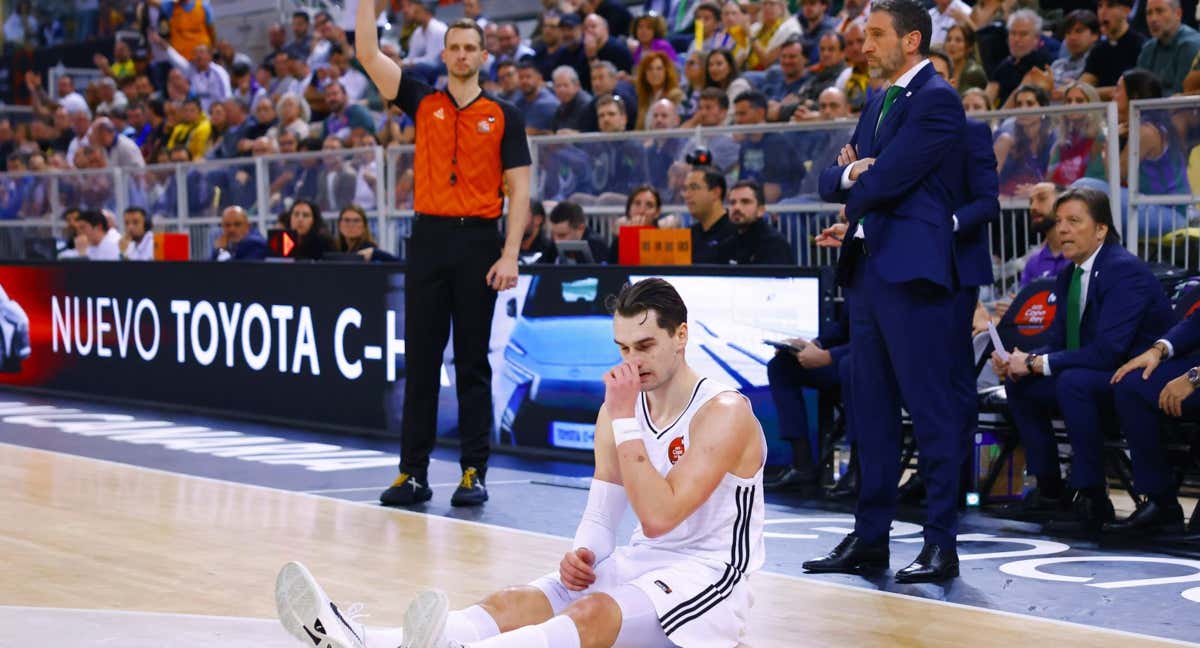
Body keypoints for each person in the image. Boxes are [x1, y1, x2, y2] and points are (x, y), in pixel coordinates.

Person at [275, 277, 767, 648]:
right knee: (514, 601)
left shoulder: (724, 411)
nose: (632, 361)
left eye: (645, 346)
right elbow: (603, 513)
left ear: (680, 336)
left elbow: (660, 518)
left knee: (590, 614)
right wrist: (584, 556)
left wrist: (622, 420)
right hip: (643, 563)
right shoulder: (621, 408)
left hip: (710, 577)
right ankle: (365, 637)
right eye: (622, 348)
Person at [807, 0, 968, 583]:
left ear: (912, 40)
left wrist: (858, 179)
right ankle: (870, 539)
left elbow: (894, 174)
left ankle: (941, 544)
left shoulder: (938, 98)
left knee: (930, 412)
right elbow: (835, 177)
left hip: (913, 273)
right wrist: (853, 173)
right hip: (868, 270)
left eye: (876, 35)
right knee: (869, 413)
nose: (866, 46)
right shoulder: (877, 100)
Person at [357, 8, 530, 507]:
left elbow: (519, 191)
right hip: (429, 240)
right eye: (453, 47)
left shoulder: (503, 116)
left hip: (479, 242)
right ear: (444, 53)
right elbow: (367, 54)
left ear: (482, 56)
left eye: (469, 48)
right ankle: (413, 473)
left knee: (473, 363)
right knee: (423, 362)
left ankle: (474, 471)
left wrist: (510, 254)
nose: (460, 55)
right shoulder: (422, 100)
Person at [996, 188, 1176, 536]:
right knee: (1020, 383)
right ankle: (1050, 489)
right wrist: (1019, 360)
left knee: (1071, 382)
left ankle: (1092, 497)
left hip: (1138, 373)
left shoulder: (1124, 271)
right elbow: (1060, 341)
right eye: (1059, 221)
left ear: (1101, 230)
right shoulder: (1069, 275)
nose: (1062, 229)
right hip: (1095, 371)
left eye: (1074, 221)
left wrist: (1037, 362)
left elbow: (1109, 351)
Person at [1081, 0, 1146, 100]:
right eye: (1100, 6)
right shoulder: (1098, 50)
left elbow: (1133, 88)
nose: (1102, 12)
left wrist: (1092, 92)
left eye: (1110, 6)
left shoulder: (1141, 45)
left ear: (1126, 11)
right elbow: (1083, 87)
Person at [1136, 0, 1200, 96]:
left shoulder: (1190, 45)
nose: (1153, 19)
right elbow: (1136, 90)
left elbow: (1181, 96)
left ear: (1178, 14)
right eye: (1149, 13)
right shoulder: (1148, 48)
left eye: (1159, 11)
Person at [728, 179, 791, 265]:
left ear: (760, 210)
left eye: (745, 202)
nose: (736, 207)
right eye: (732, 203)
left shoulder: (774, 244)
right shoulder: (725, 241)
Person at [683, 166, 737, 264]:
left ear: (715, 192)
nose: (686, 195)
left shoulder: (736, 233)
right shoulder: (689, 235)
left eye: (694, 187)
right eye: (685, 189)